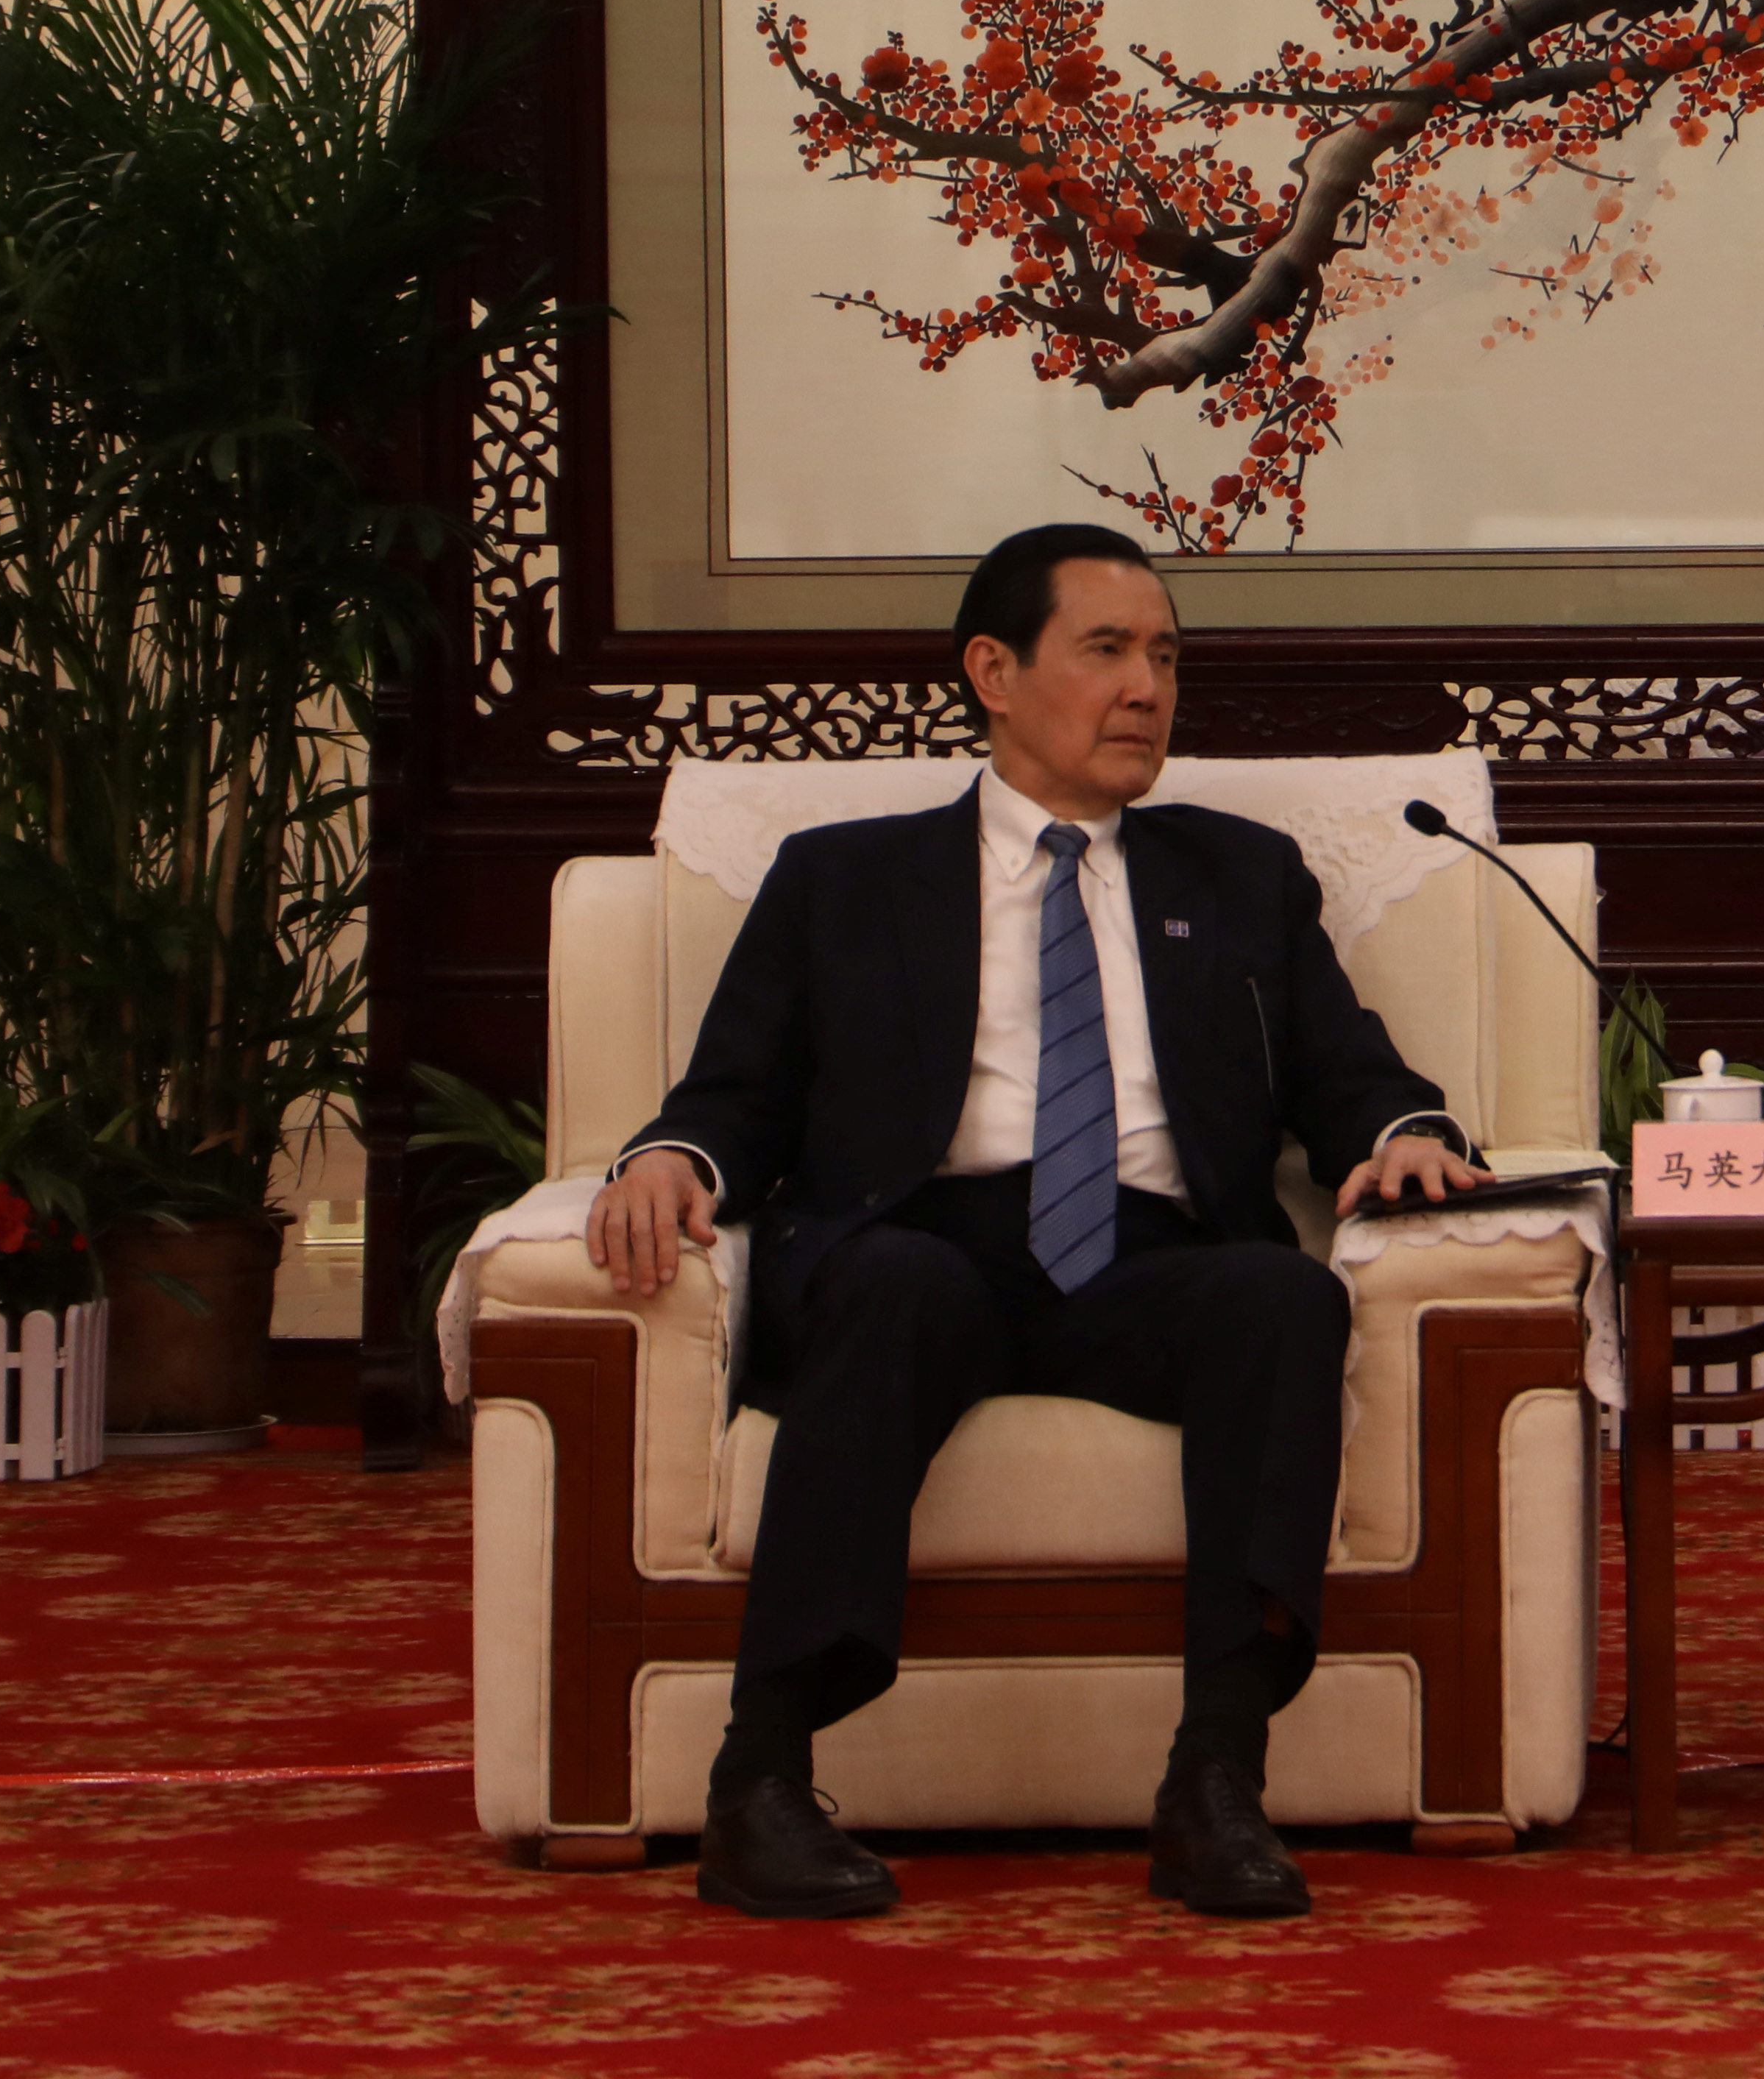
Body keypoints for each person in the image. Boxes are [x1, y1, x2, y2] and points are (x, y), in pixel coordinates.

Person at [582, 523, 1484, 1921]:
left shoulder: (1236, 876)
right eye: (1108, 651)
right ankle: (758, 1784)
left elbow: (1344, 1071)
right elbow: (733, 1096)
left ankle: (1215, 1781)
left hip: (1146, 1261)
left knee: (1281, 1295)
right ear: (993, 672)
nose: (1147, 690)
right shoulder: (846, 880)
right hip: (925, 1246)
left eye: (1167, 657)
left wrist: (1404, 1132)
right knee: (890, 1287)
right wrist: (672, 1158)